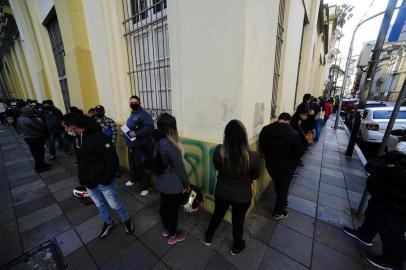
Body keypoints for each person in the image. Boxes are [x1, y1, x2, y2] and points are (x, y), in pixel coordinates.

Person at [64, 113, 134, 239]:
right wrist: (83, 178)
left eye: (66, 127)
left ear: (73, 127)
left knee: (114, 204)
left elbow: (112, 160)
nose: (66, 130)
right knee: (99, 204)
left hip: (103, 181)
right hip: (88, 182)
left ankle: (127, 220)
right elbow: (81, 161)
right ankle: (108, 222)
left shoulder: (99, 138)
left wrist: (105, 180)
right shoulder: (77, 138)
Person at [343, 142, 406, 270]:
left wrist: (381, 168)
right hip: (384, 195)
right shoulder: (397, 156)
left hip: (397, 202)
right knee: (374, 213)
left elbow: (389, 171)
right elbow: (376, 163)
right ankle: (365, 234)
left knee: (392, 228)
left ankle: (392, 260)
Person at [204, 120, 260, 255]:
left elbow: (218, 167)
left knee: (217, 214)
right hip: (242, 195)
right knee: (238, 220)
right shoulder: (252, 156)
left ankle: (208, 237)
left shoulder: (219, 151)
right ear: (244, 136)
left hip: (222, 191)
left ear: (226, 135)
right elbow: (255, 175)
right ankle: (236, 246)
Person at [154, 113, 191, 245]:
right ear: (171, 128)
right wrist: (187, 184)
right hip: (173, 184)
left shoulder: (156, 139)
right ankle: (173, 235)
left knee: (163, 205)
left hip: (160, 181)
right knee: (173, 210)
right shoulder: (170, 145)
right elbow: (180, 167)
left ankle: (166, 228)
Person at [259, 113, 305, 219]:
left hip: (271, 165)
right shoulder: (293, 133)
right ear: (288, 121)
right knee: (283, 189)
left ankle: (282, 201)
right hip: (286, 167)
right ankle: (279, 212)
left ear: (279, 119)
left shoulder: (266, 129)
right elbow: (299, 152)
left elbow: (262, 144)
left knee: (278, 185)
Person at [124, 96, 154, 196]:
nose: (133, 103)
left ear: (139, 103)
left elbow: (150, 128)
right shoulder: (132, 114)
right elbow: (130, 128)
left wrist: (136, 133)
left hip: (141, 146)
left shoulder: (144, 114)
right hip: (131, 145)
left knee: (142, 166)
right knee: (133, 164)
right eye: (131, 102)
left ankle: (146, 186)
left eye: (135, 102)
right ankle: (134, 179)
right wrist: (126, 135)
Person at [17, 106, 51, 172]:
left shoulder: (19, 119)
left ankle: (41, 164)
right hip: (36, 138)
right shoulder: (30, 119)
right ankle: (40, 166)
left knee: (35, 152)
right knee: (39, 152)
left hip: (27, 138)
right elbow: (41, 127)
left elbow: (19, 129)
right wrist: (40, 121)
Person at [94, 105, 121, 177]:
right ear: (95, 112)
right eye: (97, 111)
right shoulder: (93, 122)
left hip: (109, 143)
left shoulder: (110, 121)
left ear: (104, 111)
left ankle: (116, 170)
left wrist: (112, 144)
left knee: (113, 157)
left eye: (100, 111)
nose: (99, 113)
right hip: (98, 144)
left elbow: (114, 133)